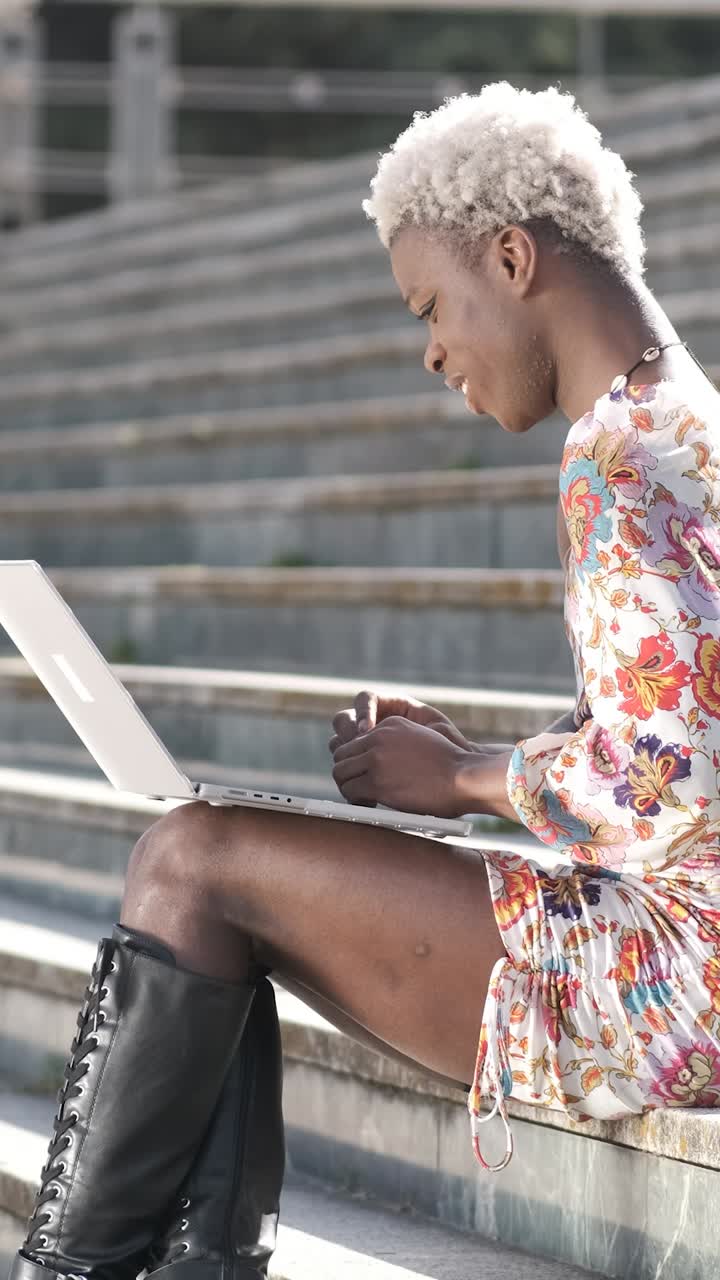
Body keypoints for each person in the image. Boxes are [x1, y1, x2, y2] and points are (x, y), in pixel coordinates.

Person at [10, 79, 720, 1279]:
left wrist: (459, 776)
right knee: (210, 863)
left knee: (197, 860)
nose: (433, 349)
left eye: (434, 305)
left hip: (673, 975)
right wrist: (480, 761)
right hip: (676, 940)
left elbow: (666, 780)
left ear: (512, 256)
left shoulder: (618, 462)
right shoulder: (680, 419)